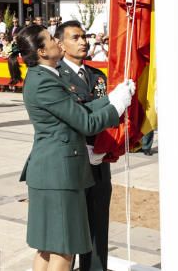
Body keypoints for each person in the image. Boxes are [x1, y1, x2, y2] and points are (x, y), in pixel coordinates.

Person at [10, 24, 134, 271]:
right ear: (42, 51)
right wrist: (118, 107)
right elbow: (86, 123)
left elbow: (79, 110)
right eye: (50, 39)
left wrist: (110, 98)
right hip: (60, 174)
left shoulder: (43, 76)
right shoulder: (46, 81)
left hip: (50, 171)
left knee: (47, 248)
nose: (57, 42)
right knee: (64, 251)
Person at [55, 21, 110, 271]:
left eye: (84, 36)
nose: (83, 42)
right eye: (75, 38)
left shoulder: (98, 77)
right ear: (61, 44)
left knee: (98, 224)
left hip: (99, 160)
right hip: (72, 161)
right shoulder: (56, 77)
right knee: (70, 231)